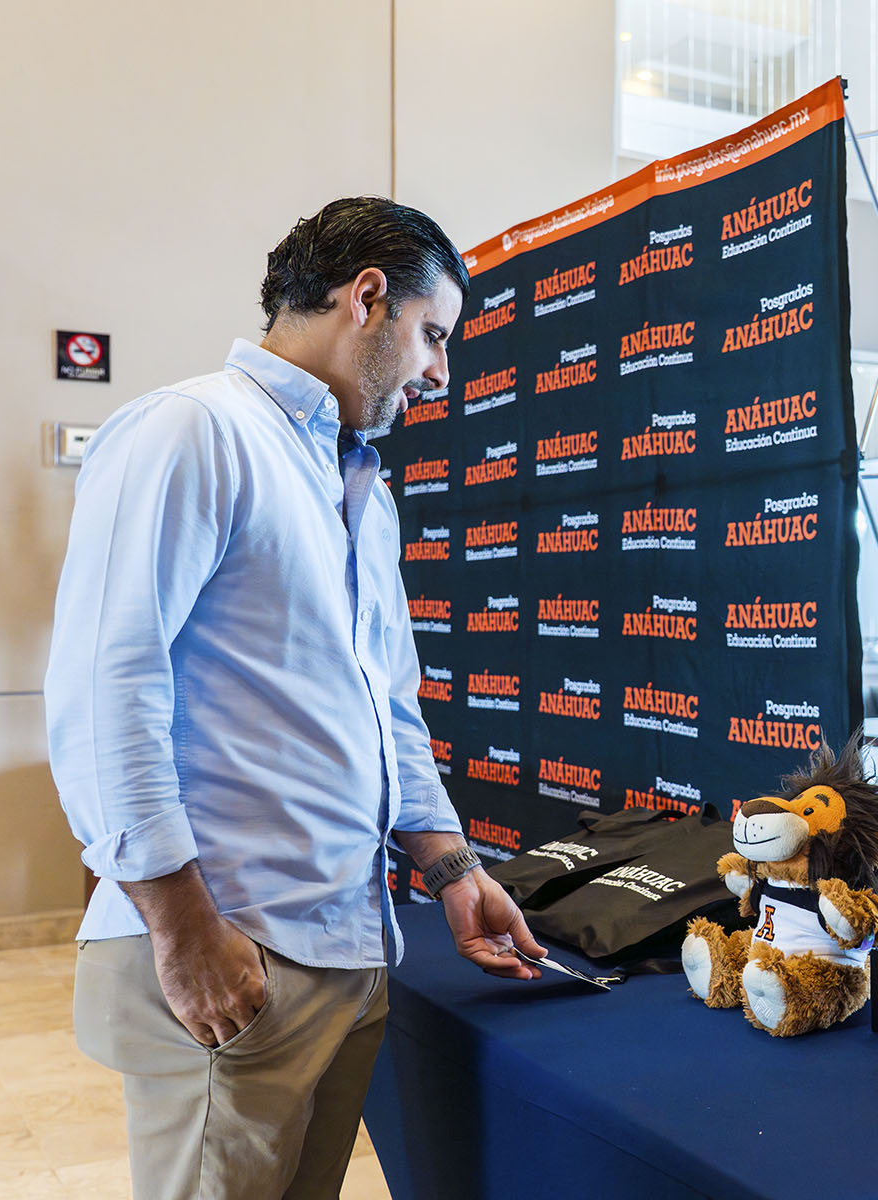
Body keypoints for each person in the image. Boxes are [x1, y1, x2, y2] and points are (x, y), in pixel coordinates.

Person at [45, 196, 548, 1199]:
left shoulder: (360, 488)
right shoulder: (194, 431)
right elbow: (108, 689)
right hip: (232, 953)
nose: (440, 373)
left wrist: (451, 869)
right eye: (434, 335)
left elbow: (385, 710)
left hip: (347, 946)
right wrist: (186, 932)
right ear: (368, 297)